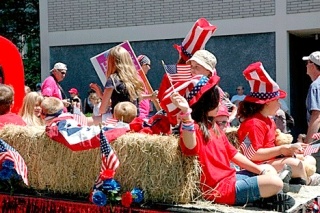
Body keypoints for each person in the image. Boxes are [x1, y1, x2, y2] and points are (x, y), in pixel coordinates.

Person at [169, 74, 294, 211]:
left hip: (232, 178)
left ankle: (266, 196)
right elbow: (190, 146)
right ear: (205, 102)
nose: (220, 104)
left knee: (268, 170)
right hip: (219, 190)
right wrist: (186, 114)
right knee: (274, 181)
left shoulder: (213, 126)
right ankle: (268, 195)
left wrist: (261, 170)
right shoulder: (192, 128)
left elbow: (233, 154)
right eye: (216, 100)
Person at [237, 62, 313, 186]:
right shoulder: (254, 123)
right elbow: (251, 155)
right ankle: (305, 190)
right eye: (277, 100)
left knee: (309, 159)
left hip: (270, 161)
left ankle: (301, 182)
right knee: (296, 164)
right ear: (267, 102)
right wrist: (282, 149)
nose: (279, 104)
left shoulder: (267, 120)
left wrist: (290, 149)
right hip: (258, 166)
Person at [90, 46, 144, 119]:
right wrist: (100, 94)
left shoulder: (112, 79)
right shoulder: (134, 79)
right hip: (134, 120)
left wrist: (100, 94)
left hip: (118, 119)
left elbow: (102, 109)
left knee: (86, 120)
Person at [302, 51, 320, 144]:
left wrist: (307, 143)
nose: (306, 66)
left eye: (307, 63)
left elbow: (317, 117)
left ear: (313, 65)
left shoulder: (316, 86)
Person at [137, 54, 153, 119]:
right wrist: (151, 96)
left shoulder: (141, 78)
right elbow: (138, 96)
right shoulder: (136, 78)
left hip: (145, 114)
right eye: (148, 65)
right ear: (143, 64)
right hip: (140, 114)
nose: (149, 68)